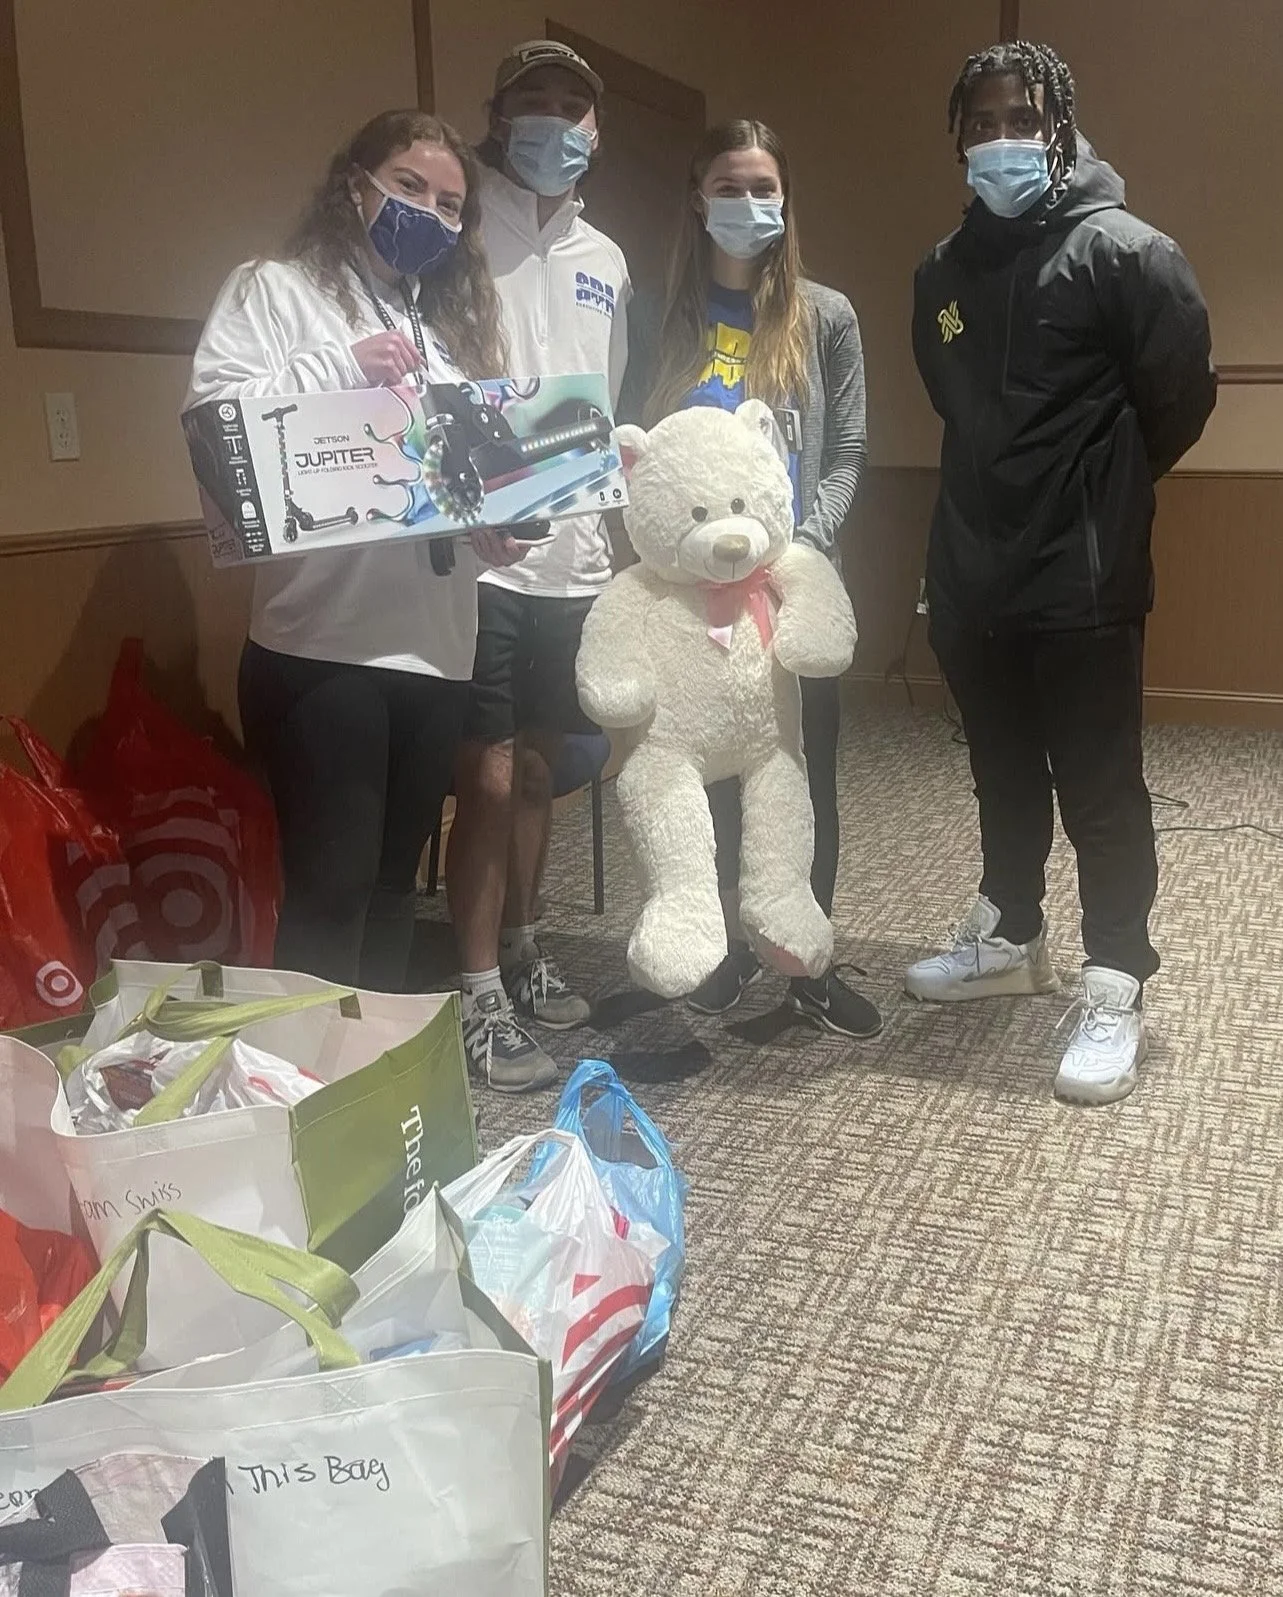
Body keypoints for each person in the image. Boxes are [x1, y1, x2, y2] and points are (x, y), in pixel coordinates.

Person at [905, 42, 1216, 1104]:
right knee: (999, 769)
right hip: (970, 573)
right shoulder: (939, 274)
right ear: (958, 137)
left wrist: (1099, 492)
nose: (998, 138)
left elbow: (1178, 400)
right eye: (979, 122)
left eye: (1020, 120)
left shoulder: (1127, 254)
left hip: (1079, 578)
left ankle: (1115, 977)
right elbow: (954, 405)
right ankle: (1009, 934)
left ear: (1059, 128)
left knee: (1097, 786)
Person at [185, 110, 525, 995]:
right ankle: (309, 1073)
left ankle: (371, 1064)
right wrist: (339, 366)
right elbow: (215, 423)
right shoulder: (274, 290)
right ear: (355, 184)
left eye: (449, 204)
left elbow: (447, 488)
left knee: (391, 890)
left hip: (437, 647)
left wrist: (492, 531)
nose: (429, 213)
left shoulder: (445, 335)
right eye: (409, 186)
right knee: (330, 890)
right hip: (322, 644)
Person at [638, 118, 882, 1040]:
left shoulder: (826, 316)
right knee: (711, 782)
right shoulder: (657, 317)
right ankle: (730, 950)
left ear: (785, 199)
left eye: (764, 188)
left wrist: (796, 551)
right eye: (729, 187)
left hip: (789, 593)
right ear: (696, 198)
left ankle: (808, 966)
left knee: (798, 779)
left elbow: (846, 453)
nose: (748, 204)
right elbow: (638, 457)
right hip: (687, 604)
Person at [446, 39, 631, 1091]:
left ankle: (521, 943)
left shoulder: (608, 255)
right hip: (484, 553)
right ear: (497, 114)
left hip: (575, 551)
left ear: (596, 131)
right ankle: (474, 985)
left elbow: (605, 393)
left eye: (573, 106)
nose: (554, 121)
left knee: (540, 769)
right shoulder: (461, 221)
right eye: (534, 101)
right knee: (485, 771)